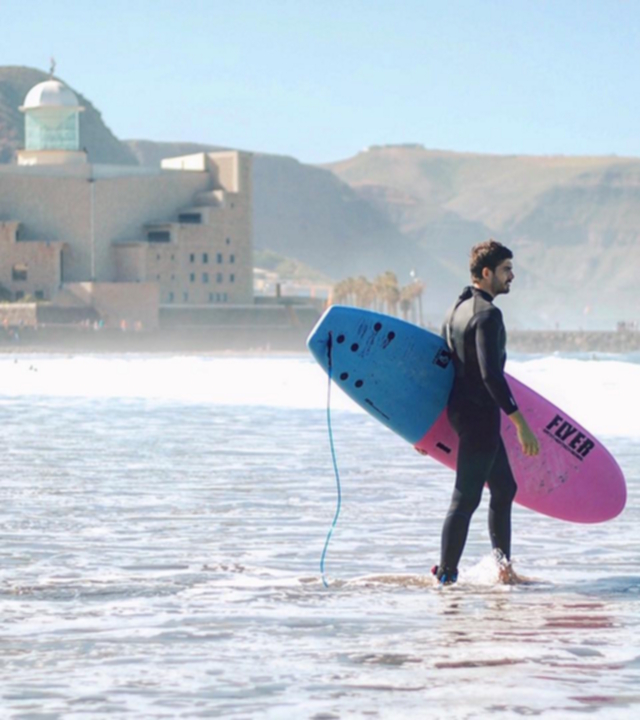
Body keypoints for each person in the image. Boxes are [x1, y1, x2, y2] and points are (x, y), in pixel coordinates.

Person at [432, 240, 539, 585]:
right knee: (466, 498)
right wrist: (520, 424)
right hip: (479, 415)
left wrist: (426, 430)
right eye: (506, 269)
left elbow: (442, 370)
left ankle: (503, 570)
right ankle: (446, 575)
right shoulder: (487, 315)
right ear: (486, 272)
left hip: (461, 410)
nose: (512, 276)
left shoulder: (456, 310)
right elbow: (490, 375)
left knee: (505, 488)